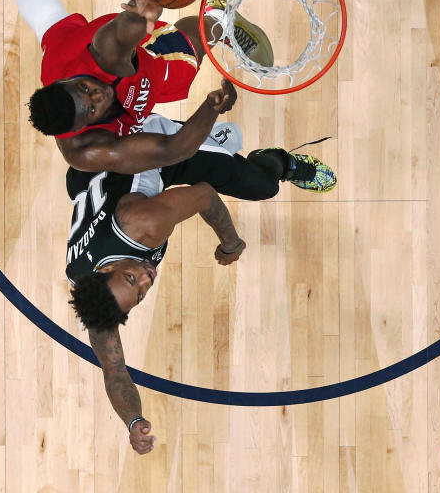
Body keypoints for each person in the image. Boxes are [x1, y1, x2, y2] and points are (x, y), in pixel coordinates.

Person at [64, 128, 336, 455]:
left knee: (257, 180)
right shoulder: (96, 298)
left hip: (152, 147)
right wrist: (134, 421)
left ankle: (281, 162)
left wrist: (231, 243)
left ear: (107, 269)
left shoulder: (144, 226)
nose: (147, 279)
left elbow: (204, 195)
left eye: (132, 279)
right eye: (139, 295)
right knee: (75, 182)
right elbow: (115, 371)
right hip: (94, 174)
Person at [0, 0, 274, 175]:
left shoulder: (105, 53)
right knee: (45, 17)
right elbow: (171, 150)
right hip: (78, 56)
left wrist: (145, 13)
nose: (98, 94)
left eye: (84, 88)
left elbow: (124, 32)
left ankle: (216, 20)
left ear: (64, 81)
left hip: (108, 52)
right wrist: (211, 109)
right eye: (91, 109)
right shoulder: (85, 151)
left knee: (184, 57)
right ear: (78, 129)